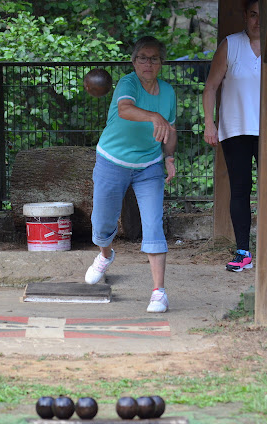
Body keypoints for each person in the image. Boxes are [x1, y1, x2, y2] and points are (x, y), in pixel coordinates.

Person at [84, 36, 177, 313]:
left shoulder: (169, 93)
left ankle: (159, 292)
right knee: (102, 223)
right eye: (142, 58)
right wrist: (153, 116)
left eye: (154, 58)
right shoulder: (128, 83)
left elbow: (170, 132)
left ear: (161, 63)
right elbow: (125, 109)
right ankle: (104, 255)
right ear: (133, 61)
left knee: (153, 224)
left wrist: (169, 156)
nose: (148, 63)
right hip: (112, 160)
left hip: (149, 165)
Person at [202, 0, 261, 272]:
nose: (257, 21)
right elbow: (211, 87)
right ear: (245, 16)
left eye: (262, 16)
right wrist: (209, 123)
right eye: (253, 15)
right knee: (240, 189)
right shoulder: (230, 44)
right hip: (235, 128)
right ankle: (243, 252)